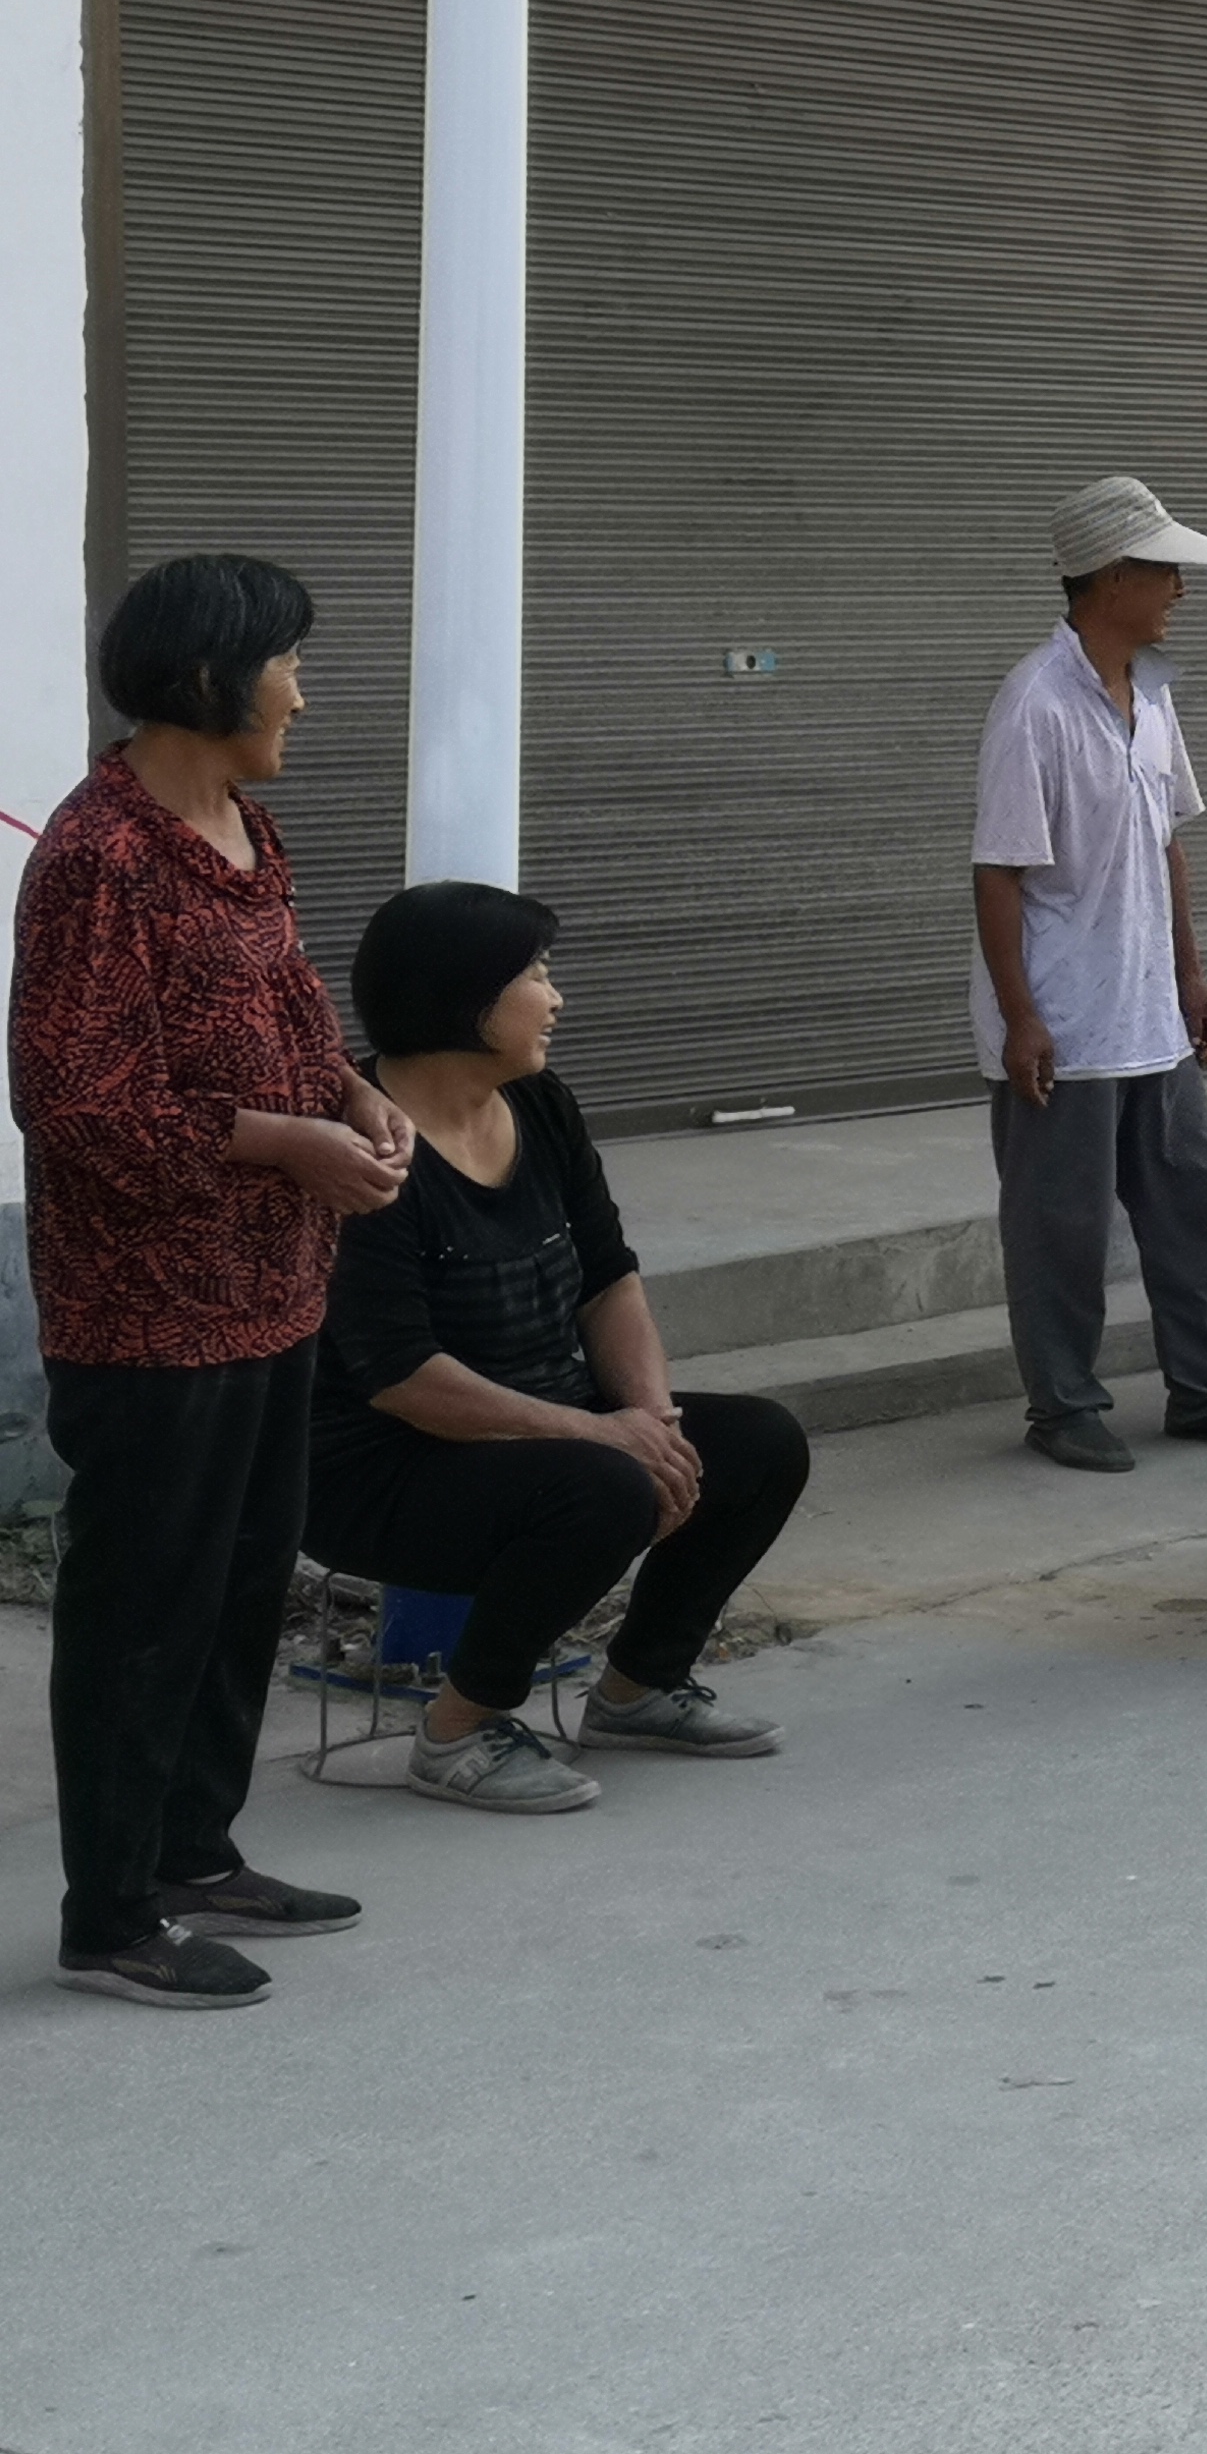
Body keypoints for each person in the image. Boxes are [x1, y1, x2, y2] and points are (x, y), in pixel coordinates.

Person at [12, 554, 408, 2008]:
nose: (302, 692)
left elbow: (286, 1000)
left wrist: (351, 1094)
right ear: (204, 681)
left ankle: (192, 1853)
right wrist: (285, 1142)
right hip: (149, 1311)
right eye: (287, 664)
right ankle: (113, 1916)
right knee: (146, 1611)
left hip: (272, 1284)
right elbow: (75, 1105)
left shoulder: (242, 822)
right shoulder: (99, 859)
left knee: (243, 1585)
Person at [306, 884, 814, 1811]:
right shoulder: (364, 1144)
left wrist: (653, 1422)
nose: (556, 998)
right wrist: (605, 1439)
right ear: (466, 999)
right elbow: (401, 1378)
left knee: (759, 1443)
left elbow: (609, 1280)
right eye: (535, 976)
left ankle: (638, 1689)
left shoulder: (541, 1104)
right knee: (605, 1484)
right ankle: (457, 1734)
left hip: (543, 1433)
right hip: (381, 1469)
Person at [971, 474, 1207, 1475]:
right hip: (1066, 1028)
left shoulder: (1150, 694)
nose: (1180, 592)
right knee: (1060, 1233)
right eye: (1165, 572)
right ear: (1111, 577)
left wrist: (1192, 977)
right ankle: (1063, 1408)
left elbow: (1167, 847)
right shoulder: (1035, 704)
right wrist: (1022, 1018)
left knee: (1197, 1209)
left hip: (1150, 1018)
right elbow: (998, 873)